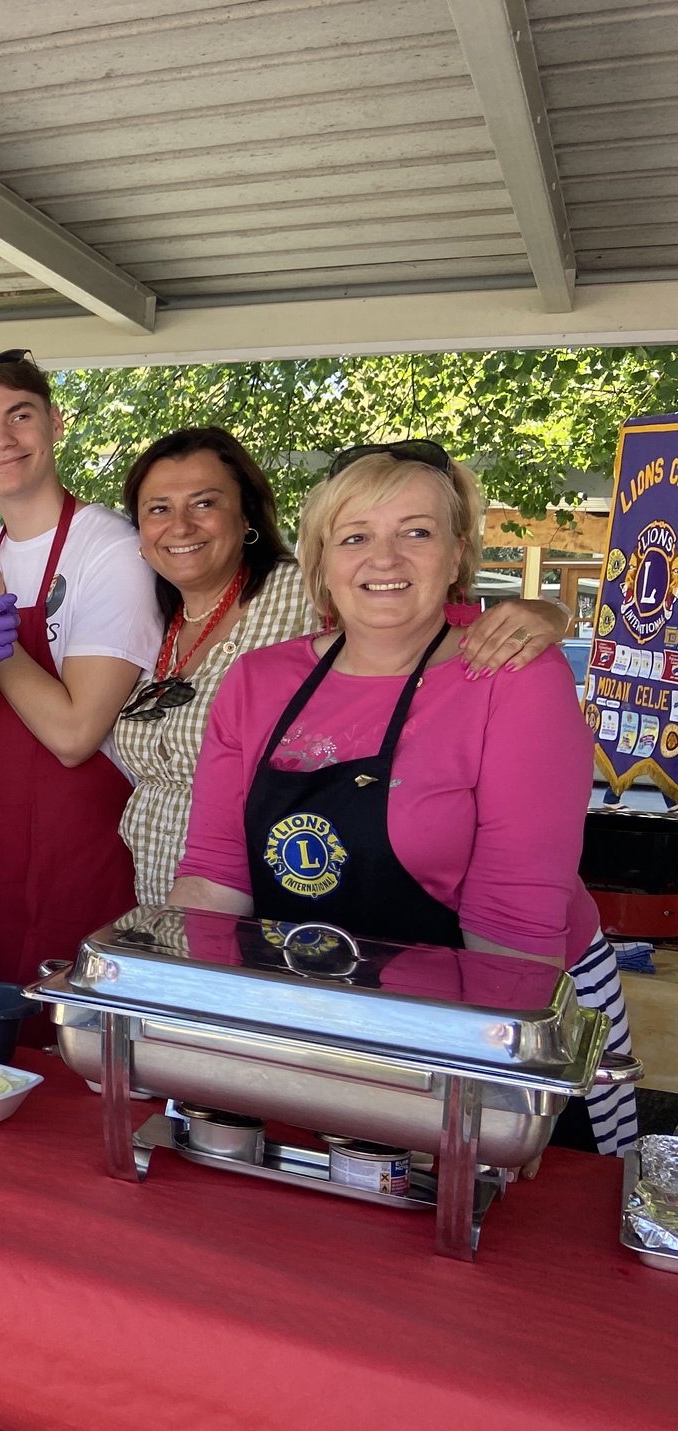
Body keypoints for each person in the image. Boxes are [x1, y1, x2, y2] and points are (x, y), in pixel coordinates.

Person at [170, 443, 636, 1153]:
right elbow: (213, 879)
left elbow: (515, 920)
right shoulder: (258, 681)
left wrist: (483, 1094)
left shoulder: (511, 673)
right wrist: (180, 1030)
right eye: (355, 537)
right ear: (321, 563)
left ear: (456, 555)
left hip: (510, 1007)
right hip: (327, 1009)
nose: (383, 560)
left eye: (415, 532)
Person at [113, 428, 570, 906]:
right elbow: (213, 872)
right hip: (178, 898)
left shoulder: (299, 594)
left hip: (428, 957)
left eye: (204, 502)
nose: (181, 526)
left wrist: (548, 612)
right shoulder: (152, 610)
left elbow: (420, 621)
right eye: (158, 508)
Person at [0, 352, 158, 986]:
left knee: (69, 1046)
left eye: (19, 417)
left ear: (55, 422)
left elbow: (76, 737)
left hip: (81, 852)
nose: (2, 441)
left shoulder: (112, 549)